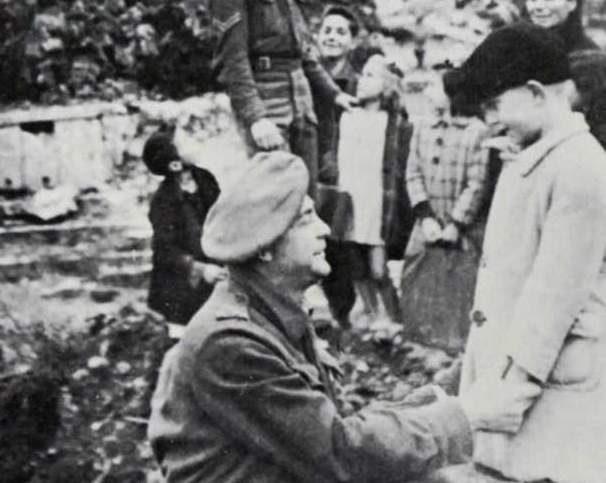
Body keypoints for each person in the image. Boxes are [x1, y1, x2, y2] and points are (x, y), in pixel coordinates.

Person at [148, 150, 540, 483]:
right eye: (305, 220)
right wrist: (464, 417)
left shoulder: (267, 313)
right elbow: (340, 451)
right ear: (264, 248)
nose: (323, 229)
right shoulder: (230, 342)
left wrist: (442, 394)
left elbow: (334, 428)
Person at [450, 22, 606, 483]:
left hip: (550, 385)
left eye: (495, 105)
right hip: (516, 376)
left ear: (537, 92)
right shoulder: (534, 157)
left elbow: (554, 294)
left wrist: (509, 391)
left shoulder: (581, 167)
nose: (491, 120)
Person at [209, 0, 355, 194]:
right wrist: (256, 117)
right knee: (277, 199)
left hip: (301, 103)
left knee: (307, 198)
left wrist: (335, 95)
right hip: (268, 103)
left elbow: (303, 53)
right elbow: (234, 62)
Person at [401, 70, 491, 353]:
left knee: (459, 282)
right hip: (427, 221)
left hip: (460, 227)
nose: (428, 93)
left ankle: (455, 348)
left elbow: (477, 183)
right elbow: (412, 172)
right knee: (416, 273)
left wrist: (456, 223)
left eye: (435, 86)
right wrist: (425, 215)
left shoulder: (476, 131)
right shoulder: (423, 126)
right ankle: (419, 344)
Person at [336, 53, 413, 331]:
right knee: (356, 266)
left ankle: (394, 316)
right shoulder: (348, 117)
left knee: (379, 269)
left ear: (386, 85)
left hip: (377, 204)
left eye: (370, 76)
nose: (361, 81)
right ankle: (369, 313)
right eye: (361, 74)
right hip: (351, 199)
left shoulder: (394, 124)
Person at [144, 131, 226, 325]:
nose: (194, 143)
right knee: (188, 328)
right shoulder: (163, 201)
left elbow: (222, 215)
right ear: (175, 163)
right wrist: (200, 269)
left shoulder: (205, 178)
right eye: (185, 143)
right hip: (182, 282)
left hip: (216, 266)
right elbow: (165, 251)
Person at [314, 4, 360, 327]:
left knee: (339, 243)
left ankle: (343, 315)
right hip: (309, 164)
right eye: (327, 30)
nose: (332, 37)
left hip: (343, 171)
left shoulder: (357, 84)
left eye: (340, 31)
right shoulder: (306, 77)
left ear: (352, 42)